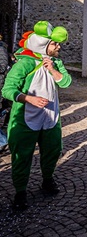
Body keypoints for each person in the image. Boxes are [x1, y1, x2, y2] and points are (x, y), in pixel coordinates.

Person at [1, 21, 71, 211]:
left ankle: (47, 180)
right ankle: (20, 192)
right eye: (54, 44)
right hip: (25, 119)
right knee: (21, 156)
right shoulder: (24, 63)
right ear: (43, 44)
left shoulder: (56, 62)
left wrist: (53, 70)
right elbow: (7, 90)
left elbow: (66, 82)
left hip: (50, 117)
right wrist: (28, 99)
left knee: (52, 150)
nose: (59, 46)